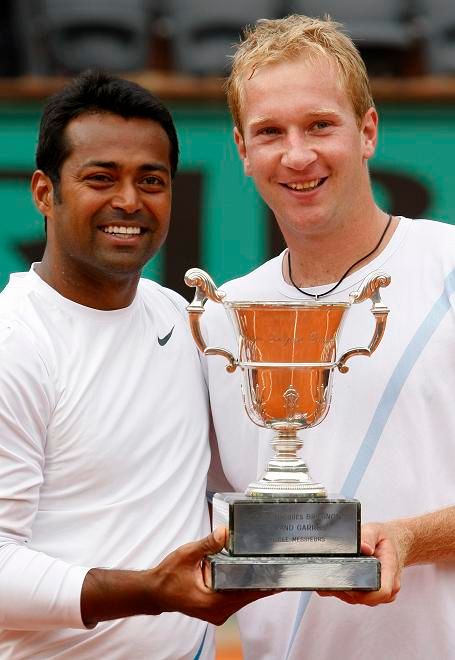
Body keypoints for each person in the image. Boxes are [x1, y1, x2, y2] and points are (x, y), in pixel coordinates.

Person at [202, 14, 455, 660]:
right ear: (241, 150)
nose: (296, 154)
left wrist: (409, 539)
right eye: (269, 132)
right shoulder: (222, 315)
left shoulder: (448, 267)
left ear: (366, 130)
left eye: (319, 125)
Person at [0, 70, 272, 659]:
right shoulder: (13, 344)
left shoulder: (181, 318)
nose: (129, 200)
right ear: (45, 192)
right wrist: (150, 592)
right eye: (101, 178)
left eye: (151, 180)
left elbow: (233, 480)